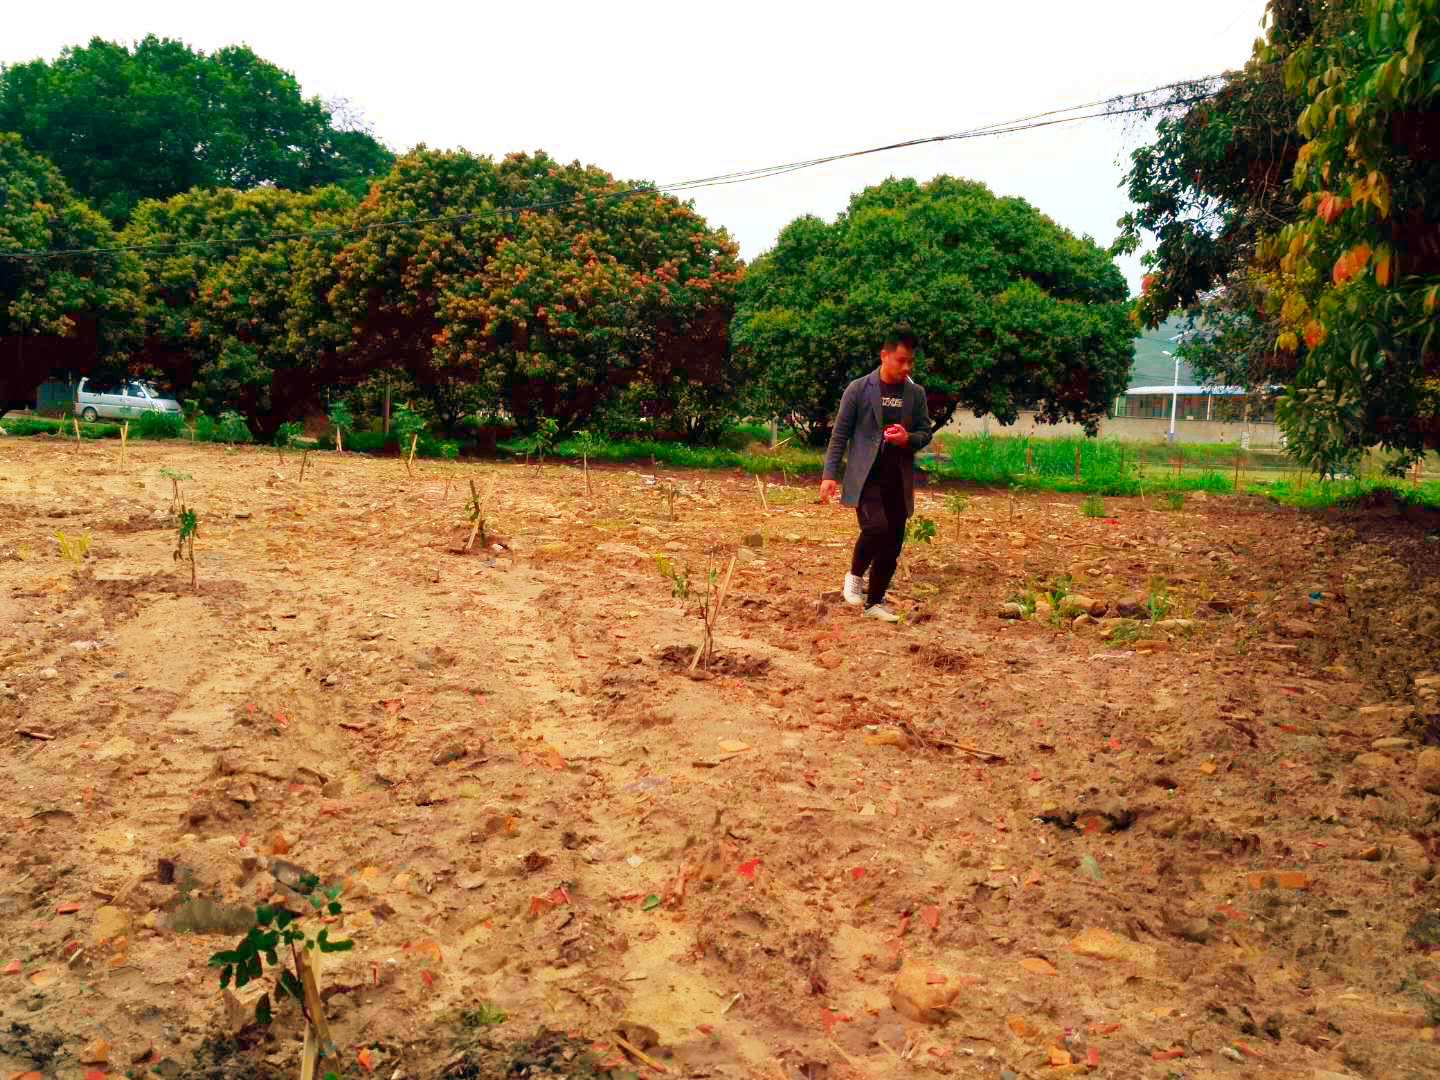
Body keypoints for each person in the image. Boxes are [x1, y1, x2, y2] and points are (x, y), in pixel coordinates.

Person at [819, 322, 933, 622]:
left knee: (892, 544)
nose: (906, 367)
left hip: (898, 478)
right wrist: (829, 475)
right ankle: (855, 575)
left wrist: (908, 438)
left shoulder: (915, 394)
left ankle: (874, 603)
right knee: (876, 528)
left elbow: (925, 432)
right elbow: (839, 435)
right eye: (901, 360)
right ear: (884, 355)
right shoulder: (858, 389)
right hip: (866, 477)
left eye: (910, 361)